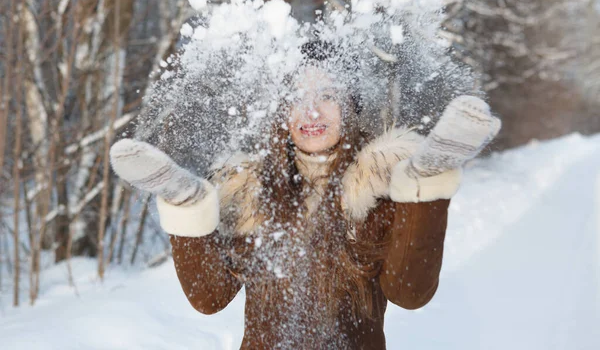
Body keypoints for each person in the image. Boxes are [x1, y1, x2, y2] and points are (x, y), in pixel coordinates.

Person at [110, 41, 500, 349]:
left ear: (351, 107)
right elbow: (209, 298)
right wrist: (189, 210)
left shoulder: (380, 187)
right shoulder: (249, 189)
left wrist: (422, 191)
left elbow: (409, 292)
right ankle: (186, 194)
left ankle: (429, 167)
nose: (310, 112)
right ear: (282, 111)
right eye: (297, 98)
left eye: (327, 96)